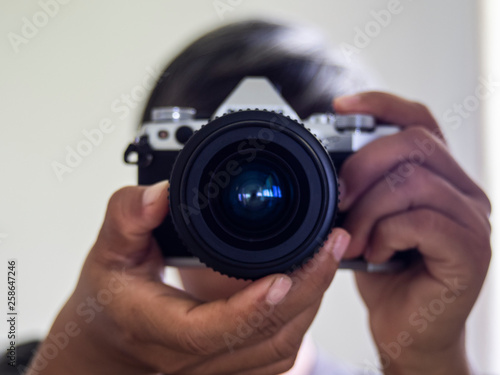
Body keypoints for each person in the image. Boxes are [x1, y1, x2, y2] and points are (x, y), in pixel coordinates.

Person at [22, 19, 491, 374]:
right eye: (214, 162)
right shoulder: (42, 359)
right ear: (160, 178)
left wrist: (428, 356)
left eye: (303, 169)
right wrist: (87, 358)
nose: (248, 190)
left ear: (347, 186)